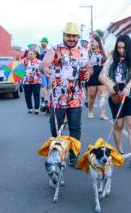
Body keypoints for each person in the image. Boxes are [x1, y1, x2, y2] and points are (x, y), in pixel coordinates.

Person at [40, 22, 93, 166]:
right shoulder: (55, 49)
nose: (71, 38)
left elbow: (89, 67)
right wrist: (45, 70)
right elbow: (43, 64)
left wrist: (88, 73)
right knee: (55, 126)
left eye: (74, 36)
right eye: (69, 36)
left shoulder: (83, 51)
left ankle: (73, 155)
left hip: (76, 96)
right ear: (64, 35)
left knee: (75, 127)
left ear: (78, 37)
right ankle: (58, 152)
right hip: (57, 96)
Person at [99, 34, 131, 166]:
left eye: (123, 48)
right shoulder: (111, 58)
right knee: (119, 125)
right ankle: (119, 151)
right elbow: (101, 76)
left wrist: (128, 87)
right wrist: (111, 86)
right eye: (118, 47)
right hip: (116, 94)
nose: (121, 50)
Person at [86, 33, 109, 120]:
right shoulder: (88, 52)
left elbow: (107, 60)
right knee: (91, 95)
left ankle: (102, 114)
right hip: (92, 73)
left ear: (98, 42)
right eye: (90, 42)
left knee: (102, 94)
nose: (91, 43)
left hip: (102, 73)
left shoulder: (103, 51)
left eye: (93, 41)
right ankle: (90, 110)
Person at [22, 46, 42, 114]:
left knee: (36, 95)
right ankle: (29, 108)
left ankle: (36, 108)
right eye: (29, 54)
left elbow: (42, 69)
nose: (30, 55)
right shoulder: (24, 61)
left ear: (35, 54)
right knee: (27, 95)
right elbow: (18, 68)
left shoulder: (39, 62)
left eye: (31, 54)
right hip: (26, 81)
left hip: (37, 81)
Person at [39, 37, 51, 113]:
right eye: (42, 42)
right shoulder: (39, 51)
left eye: (44, 42)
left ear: (47, 43)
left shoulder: (49, 51)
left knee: (49, 87)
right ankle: (45, 100)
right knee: (44, 86)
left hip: (49, 70)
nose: (42, 43)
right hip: (42, 71)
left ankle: (48, 102)